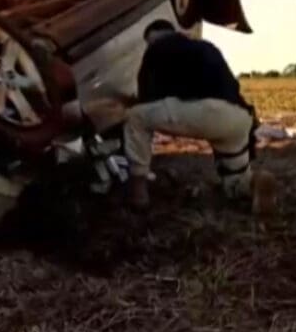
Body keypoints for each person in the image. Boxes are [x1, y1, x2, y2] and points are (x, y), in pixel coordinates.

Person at [118, 20, 276, 213]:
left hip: (204, 114)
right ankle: (252, 182)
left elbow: (146, 99)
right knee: (233, 178)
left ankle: (138, 192)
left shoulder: (156, 49)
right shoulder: (206, 47)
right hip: (238, 117)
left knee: (136, 118)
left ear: (152, 38)